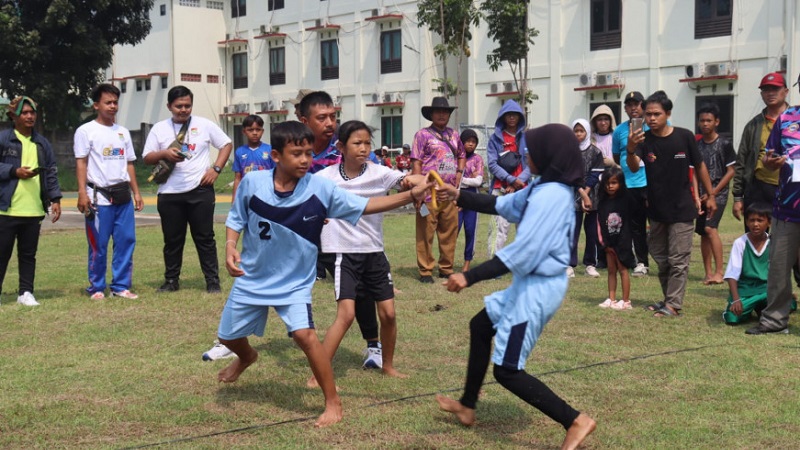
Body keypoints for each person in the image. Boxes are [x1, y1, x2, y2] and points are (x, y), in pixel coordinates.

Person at [215, 121, 430, 427]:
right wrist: (230, 246)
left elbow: (367, 206)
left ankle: (333, 402)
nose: (305, 160)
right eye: (296, 154)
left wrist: (409, 197)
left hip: (293, 283)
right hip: (252, 277)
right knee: (228, 336)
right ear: (275, 156)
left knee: (305, 337)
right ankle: (247, 357)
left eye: (307, 153)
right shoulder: (253, 184)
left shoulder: (320, 188)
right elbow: (236, 218)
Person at [434, 123, 596, 450]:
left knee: (508, 371)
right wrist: (458, 195)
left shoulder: (552, 196)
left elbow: (523, 253)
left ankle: (576, 420)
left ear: (549, 155)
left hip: (538, 290)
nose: (525, 153)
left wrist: (469, 276)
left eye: (531, 150)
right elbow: (499, 205)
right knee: (480, 326)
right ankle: (467, 405)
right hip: (528, 283)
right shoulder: (541, 186)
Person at [309, 120, 424, 387]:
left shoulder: (379, 173)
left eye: (367, 143)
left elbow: (407, 179)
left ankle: (389, 366)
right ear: (340, 146)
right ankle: (318, 374)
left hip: (374, 253)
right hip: (342, 253)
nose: (363, 149)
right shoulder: (325, 179)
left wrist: (421, 178)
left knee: (389, 314)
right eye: (356, 143)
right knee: (346, 314)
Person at [298, 91, 383, 368]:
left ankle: (373, 346)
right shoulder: (297, 150)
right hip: (304, 234)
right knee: (289, 284)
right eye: (321, 117)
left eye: (332, 116)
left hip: (344, 237)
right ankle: (233, 340)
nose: (329, 122)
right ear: (304, 120)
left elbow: (373, 176)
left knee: (361, 293)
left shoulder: (347, 148)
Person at [626, 91, 717, 317]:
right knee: (660, 257)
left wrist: (711, 195)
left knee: (678, 259)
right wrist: (629, 148)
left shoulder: (684, 137)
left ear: (668, 114)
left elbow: (700, 165)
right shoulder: (644, 140)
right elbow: (634, 166)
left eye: (657, 114)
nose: (651, 119)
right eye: (648, 115)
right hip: (656, 210)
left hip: (682, 210)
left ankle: (674, 305)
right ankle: (668, 299)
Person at [143, 85, 232, 293]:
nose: (183, 110)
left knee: (205, 237)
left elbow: (226, 144)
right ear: (169, 106)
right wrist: (165, 153)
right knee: (172, 239)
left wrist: (216, 169)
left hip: (200, 190)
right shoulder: (159, 129)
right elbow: (147, 157)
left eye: (187, 106)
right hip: (169, 193)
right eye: (178, 106)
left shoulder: (204, 125)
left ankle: (212, 281)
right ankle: (171, 281)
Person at [74, 83, 144, 300]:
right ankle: (96, 288)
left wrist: (137, 193)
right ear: (96, 105)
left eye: (115, 102)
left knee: (125, 241)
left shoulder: (122, 132)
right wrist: (82, 193)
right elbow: (81, 163)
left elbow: (129, 164)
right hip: (98, 198)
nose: (113, 106)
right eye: (108, 102)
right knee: (99, 244)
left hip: (123, 197)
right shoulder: (86, 131)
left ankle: (120, 286)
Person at [746, 74, 800, 335]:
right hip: (787, 209)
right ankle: (774, 321)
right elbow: (769, 156)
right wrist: (771, 162)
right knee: (779, 268)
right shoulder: (786, 120)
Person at [0, 96, 62, 306]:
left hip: (33, 209)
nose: (29, 116)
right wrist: (13, 170)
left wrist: (55, 198)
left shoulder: (42, 143)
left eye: (32, 112)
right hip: (6, 210)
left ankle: (25, 293)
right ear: (13, 116)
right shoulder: (4, 139)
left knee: (28, 255)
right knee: (2, 254)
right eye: (24, 113)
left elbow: (51, 171)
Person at [411, 97, 466, 283]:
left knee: (449, 231)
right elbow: (416, 162)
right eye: (438, 111)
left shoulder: (455, 135)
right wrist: (419, 188)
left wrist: (459, 172)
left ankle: (446, 268)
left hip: (448, 192)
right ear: (431, 114)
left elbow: (462, 155)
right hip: (429, 192)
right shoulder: (422, 135)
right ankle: (426, 270)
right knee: (425, 232)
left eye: (445, 112)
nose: (442, 114)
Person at [732, 73, 790, 226]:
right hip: (759, 188)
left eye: (775, 89)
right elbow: (741, 161)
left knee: (789, 239)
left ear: (786, 91)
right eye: (766, 89)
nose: (770, 93)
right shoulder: (753, 125)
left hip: (791, 187)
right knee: (757, 236)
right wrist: (738, 197)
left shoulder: (795, 120)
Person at [695, 103, 736, 285]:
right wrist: (697, 195)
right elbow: (694, 172)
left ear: (716, 122)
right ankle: (708, 273)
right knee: (703, 232)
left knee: (711, 229)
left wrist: (712, 192)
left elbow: (731, 171)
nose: (705, 124)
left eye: (709, 120)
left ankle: (720, 272)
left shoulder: (725, 143)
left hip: (717, 194)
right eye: (702, 120)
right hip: (702, 195)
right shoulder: (696, 145)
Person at [612, 91, 650, 276]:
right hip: (630, 184)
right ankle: (642, 262)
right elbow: (617, 157)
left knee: (658, 224)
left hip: (652, 183)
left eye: (637, 104)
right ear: (625, 108)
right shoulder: (619, 131)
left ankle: (666, 261)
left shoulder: (652, 126)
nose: (633, 108)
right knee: (636, 226)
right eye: (629, 105)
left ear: (643, 105)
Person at [486, 99, 529, 260]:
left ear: (520, 117)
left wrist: (518, 182)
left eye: (515, 115)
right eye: (508, 115)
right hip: (501, 189)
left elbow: (532, 164)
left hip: (523, 189)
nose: (511, 118)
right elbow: (492, 164)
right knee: (499, 229)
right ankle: (493, 264)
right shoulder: (495, 139)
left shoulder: (526, 137)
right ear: (502, 117)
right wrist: (510, 180)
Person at [723, 203, 771, 325]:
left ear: (769, 223)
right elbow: (732, 274)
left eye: (760, 220)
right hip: (746, 290)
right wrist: (736, 299)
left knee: (789, 305)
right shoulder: (740, 243)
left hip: (766, 289)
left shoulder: (773, 242)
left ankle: (761, 307)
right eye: (752, 220)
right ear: (747, 222)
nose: (755, 224)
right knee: (732, 318)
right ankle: (754, 307)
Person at [596, 166, 635, 310]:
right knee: (611, 271)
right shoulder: (603, 202)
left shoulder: (626, 200)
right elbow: (600, 222)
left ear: (620, 183)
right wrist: (605, 244)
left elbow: (628, 223)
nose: (610, 186)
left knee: (623, 270)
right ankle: (611, 299)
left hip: (622, 242)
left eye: (614, 183)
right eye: (607, 183)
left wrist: (621, 242)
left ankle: (626, 301)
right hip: (608, 243)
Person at [570, 118, 604, 279]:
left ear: (587, 132)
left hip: (593, 197)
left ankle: (590, 264)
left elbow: (595, 174)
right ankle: (569, 264)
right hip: (573, 196)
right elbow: (570, 175)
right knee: (572, 232)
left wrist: (587, 194)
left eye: (581, 131)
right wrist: (582, 195)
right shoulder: (568, 152)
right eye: (575, 131)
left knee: (591, 232)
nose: (578, 134)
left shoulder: (596, 152)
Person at [457, 129, 484, 272]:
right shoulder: (455, 158)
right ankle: (447, 262)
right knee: (453, 229)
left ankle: (467, 262)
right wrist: (469, 180)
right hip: (457, 197)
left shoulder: (478, 159)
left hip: (472, 198)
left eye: (473, 142)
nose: (470, 144)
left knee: (470, 230)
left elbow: (478, 181)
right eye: (468, 141)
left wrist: (462, 180)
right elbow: (450, 180)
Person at [230, 114, 273, 201]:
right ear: (244, 131)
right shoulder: (239, 152)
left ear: (262, 131)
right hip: (246, 194)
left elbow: (276, 175)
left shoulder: (270, 150)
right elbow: (238, 178)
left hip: (266, 195)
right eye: (250, 130)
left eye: (258, 129)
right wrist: (234, 200)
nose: (254, 133)